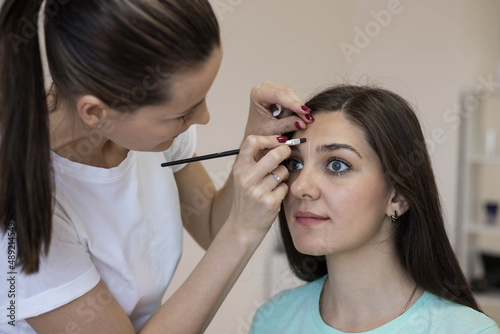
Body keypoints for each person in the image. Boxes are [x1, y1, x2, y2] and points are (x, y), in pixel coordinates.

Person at [0, 1, 315, 333]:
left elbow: (210, 225)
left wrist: (254, 138)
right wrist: (242, 233)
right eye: (183, 113)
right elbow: (227, 233)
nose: (203, 119)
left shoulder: (146, 134)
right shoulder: (19, 210)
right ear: (95, 113)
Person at [250, 85, 500, 333]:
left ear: (398, 197)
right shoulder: (272, 319)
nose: (300, 186)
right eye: (295, 163)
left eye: (337, 165)